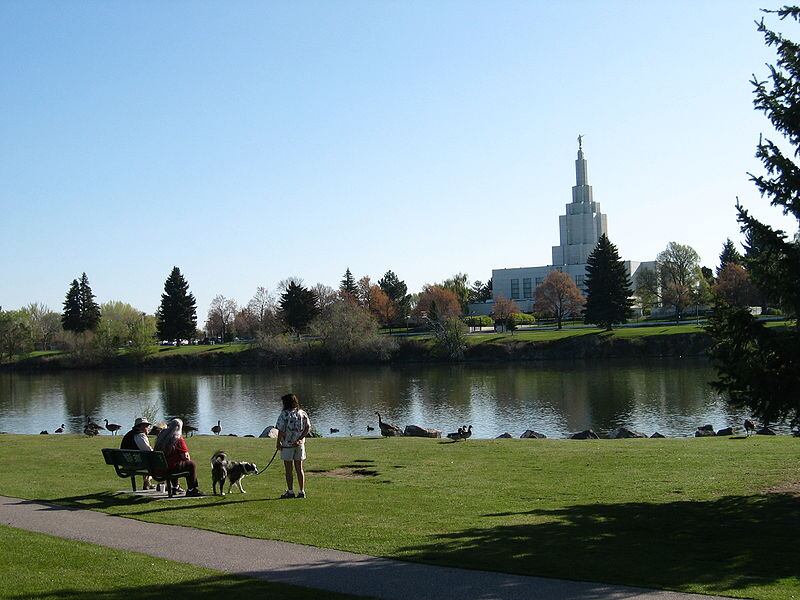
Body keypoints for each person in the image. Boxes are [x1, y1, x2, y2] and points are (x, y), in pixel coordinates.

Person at [154, 418, 204, 497]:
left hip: (159, 468)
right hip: (169, 468)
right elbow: (186, 457)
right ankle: (192, 489)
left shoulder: (161, 437)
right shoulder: (178, 438)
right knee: (191, 464)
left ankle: (175, 487)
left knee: (174, 462)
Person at [275, 393, 311, 499]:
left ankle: (290, 491)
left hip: (287, 445)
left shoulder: (284, 414)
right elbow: (308, 427)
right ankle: (301, 491)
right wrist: (300, 439)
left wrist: (278, 443)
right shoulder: (302, 413)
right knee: (299, 469)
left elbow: (281, 430)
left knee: (289, 470)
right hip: (299, 445)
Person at [120, 417, 154, 489]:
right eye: (147, 426)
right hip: (135, 464)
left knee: (144, 458)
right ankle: (160, 483)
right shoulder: (140, 435)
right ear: (141, 426)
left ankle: (147, 482)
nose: (148, 428)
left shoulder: (129, 434)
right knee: (155, 460)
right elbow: (148, 450)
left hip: (126, 463)